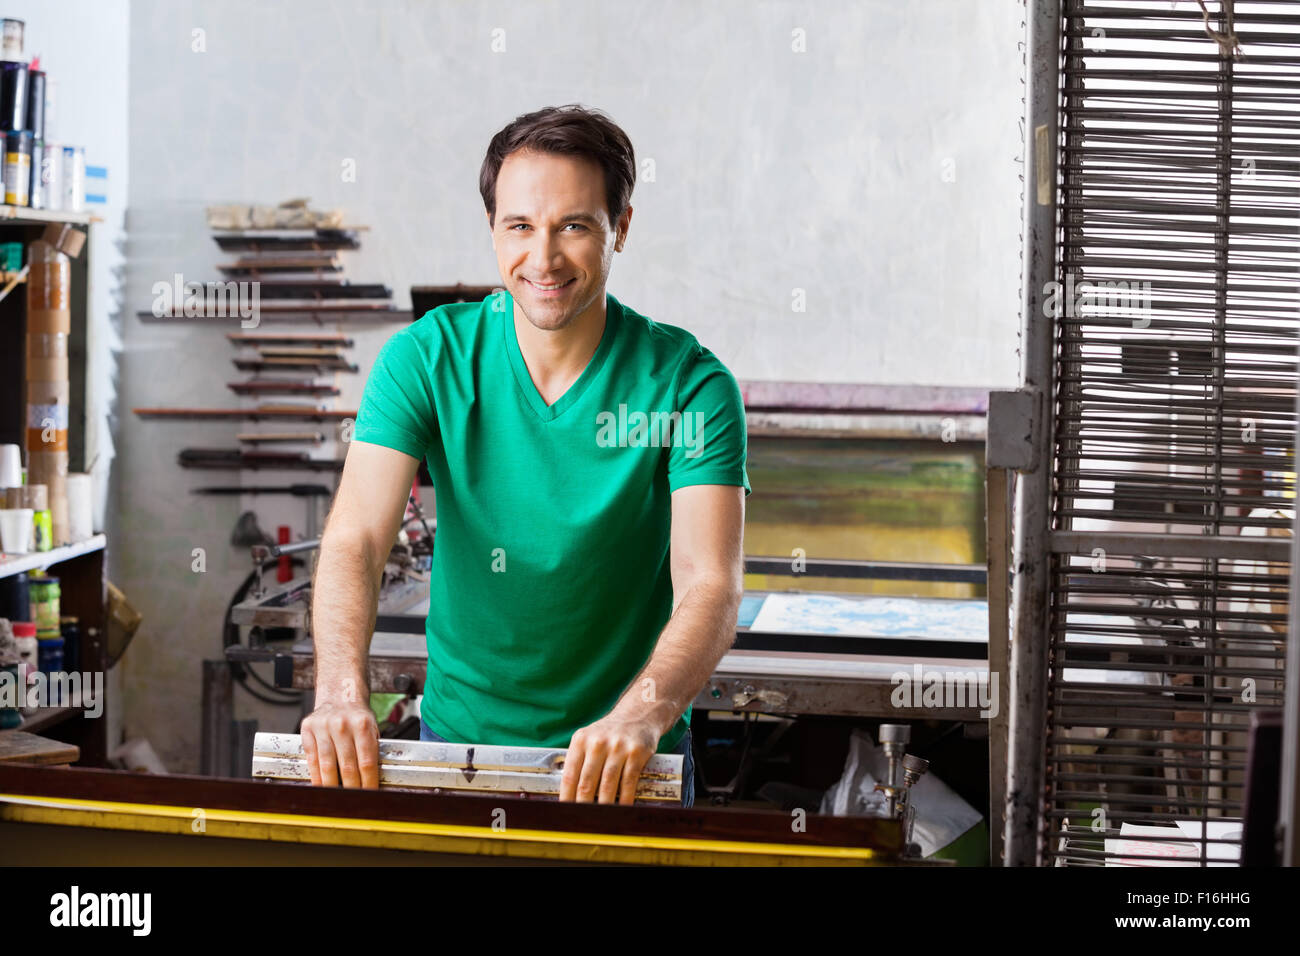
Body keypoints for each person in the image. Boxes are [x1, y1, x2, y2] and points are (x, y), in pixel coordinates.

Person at [301, 104, 750, 807]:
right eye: (520, 227)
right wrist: (337, 694)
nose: (542, 258)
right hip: (459, 752)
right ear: (493, 229)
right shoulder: (425, 358)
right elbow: (356, 538)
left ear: (620, 229)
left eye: (573, 226)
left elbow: (709, 584)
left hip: (629, 765)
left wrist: (640, 715)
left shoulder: (689, 385)